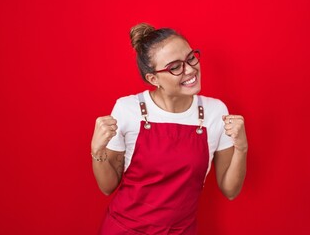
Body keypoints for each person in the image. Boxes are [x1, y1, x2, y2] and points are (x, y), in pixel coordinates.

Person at [91, 22, 248, 235]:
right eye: (175, 67)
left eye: (191, 58)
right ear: (153, 79)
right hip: (125, 230)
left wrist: (241, 148)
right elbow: (107, 186)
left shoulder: (214, 111)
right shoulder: (128, 109)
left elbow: (230, 190)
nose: (190, 69)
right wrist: (97, 151)